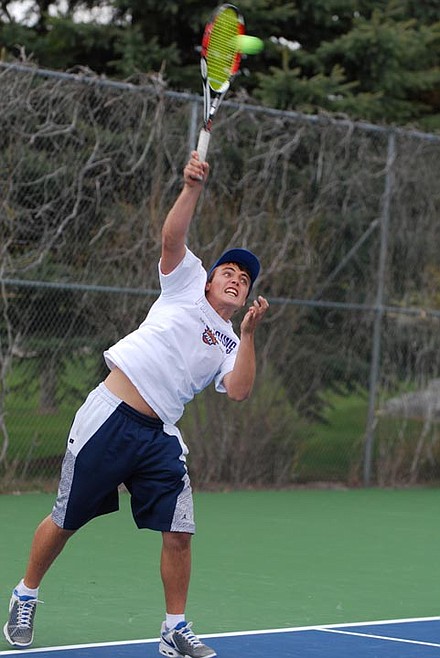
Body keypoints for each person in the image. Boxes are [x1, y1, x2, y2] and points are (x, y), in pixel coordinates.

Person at [3, 152, 269, 658]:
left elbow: (238, 390)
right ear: (210, 279)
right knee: (65, 520)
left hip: (158, 436)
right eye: (229, 271)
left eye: (245, 278)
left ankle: (174, 629)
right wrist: (191, 188)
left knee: (180, 532)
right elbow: (172, 239)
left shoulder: (232, 342)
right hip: (109, 416)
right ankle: (25, 595)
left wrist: (251, 335)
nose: (236, 278)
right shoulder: (186, 282)